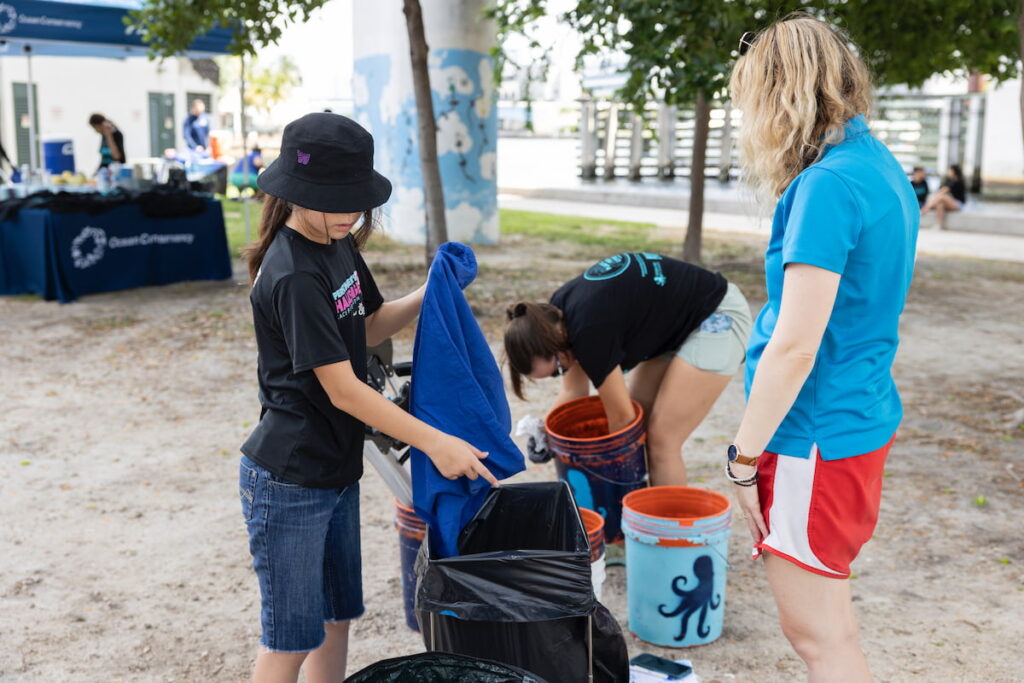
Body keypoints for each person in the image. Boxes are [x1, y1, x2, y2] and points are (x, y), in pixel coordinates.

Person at [239, 112, 497, 683]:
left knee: (336, 618)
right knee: (289, 639)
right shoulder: (293, 274)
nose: (351, 215)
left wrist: (433, 291)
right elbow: (345, 390)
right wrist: (439, 443)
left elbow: (371, 325)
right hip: (288, 480)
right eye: (337, 202)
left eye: (357, 202)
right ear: (296, 193)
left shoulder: (336, 244)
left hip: (333, 471)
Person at [729, 14, 918, 682]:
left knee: (818, 640)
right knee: (831, 624)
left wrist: (742, 457)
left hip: (814, 435)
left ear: (780, 93)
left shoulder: (830, 185)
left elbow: (795, 346)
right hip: (853, 421)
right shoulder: (877, 164)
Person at [504, 253, 752, 486]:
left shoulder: (589, 334)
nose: (562, 372)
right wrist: (545, 433)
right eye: (555, 374)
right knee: (639, 420)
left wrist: (613, 480)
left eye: (558, 368)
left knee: (662, 441)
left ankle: (668, 530)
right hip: (675, 326)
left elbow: (621, 419)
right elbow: (573, 391)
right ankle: (649, 516)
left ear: (552, 343)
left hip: (718, 314)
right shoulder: (557, 317)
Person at [920, 164, 966, 229]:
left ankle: (925, 208)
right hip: (952, 203)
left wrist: (933, 200)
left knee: (942, 197)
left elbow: (943, 191)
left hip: (959, 204)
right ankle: (939, 225)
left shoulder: (957, 181)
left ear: (954, 171)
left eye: (949, 171)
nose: (948, 172)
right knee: (940, 204)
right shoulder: (950, 181)